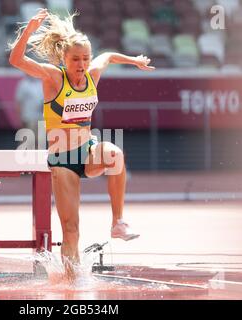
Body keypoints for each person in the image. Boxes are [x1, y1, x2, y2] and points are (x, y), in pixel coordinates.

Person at [8, 8, 155, 281]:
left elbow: (108, 56)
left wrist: (134, 60)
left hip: (87, 152)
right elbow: (16, 59)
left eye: (85, 58)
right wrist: (28, 31)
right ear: (64, 58)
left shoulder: (92, 75)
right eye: (75, 59)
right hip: (63, 160)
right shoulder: (54, 77)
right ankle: (71, 282)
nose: (82, 64)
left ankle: (117, 222)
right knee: (71, 229)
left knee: (115, 154)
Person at [15, 74, 44, 149]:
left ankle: (38, 159)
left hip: (41, 117)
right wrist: (20, 118)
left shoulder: (41, 83)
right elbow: (18, 102)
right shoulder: (23, 84)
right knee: (27, 140)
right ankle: (23, 158)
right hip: (28, 118)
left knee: (40, 141)